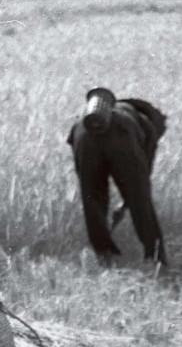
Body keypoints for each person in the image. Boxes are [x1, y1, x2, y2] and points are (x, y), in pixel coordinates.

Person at [67, 90, 168, 267]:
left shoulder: (85, 119)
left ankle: (105, 256)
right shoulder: (147, 125)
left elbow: (75, 151)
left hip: (83, 136)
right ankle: (155, 258)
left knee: (92, 199)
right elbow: (141, 181)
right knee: (141, 203)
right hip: (123, 137)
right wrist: (126, 204)